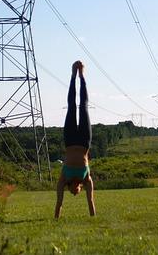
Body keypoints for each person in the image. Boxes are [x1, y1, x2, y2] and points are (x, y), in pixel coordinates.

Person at [55, 60, 96, 218]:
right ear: (80, 189)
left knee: (72, 106)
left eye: (72, 193)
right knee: (83, 106)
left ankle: (73, 76)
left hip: (70, 140)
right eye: (77, 193)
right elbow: (91, 201)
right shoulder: (87, 180)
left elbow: (59, 202)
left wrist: (56, 216)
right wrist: (93, 218)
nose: (74, 194)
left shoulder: (63, 179)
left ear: (69, 188)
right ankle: (82, 76)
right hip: (85, 141)